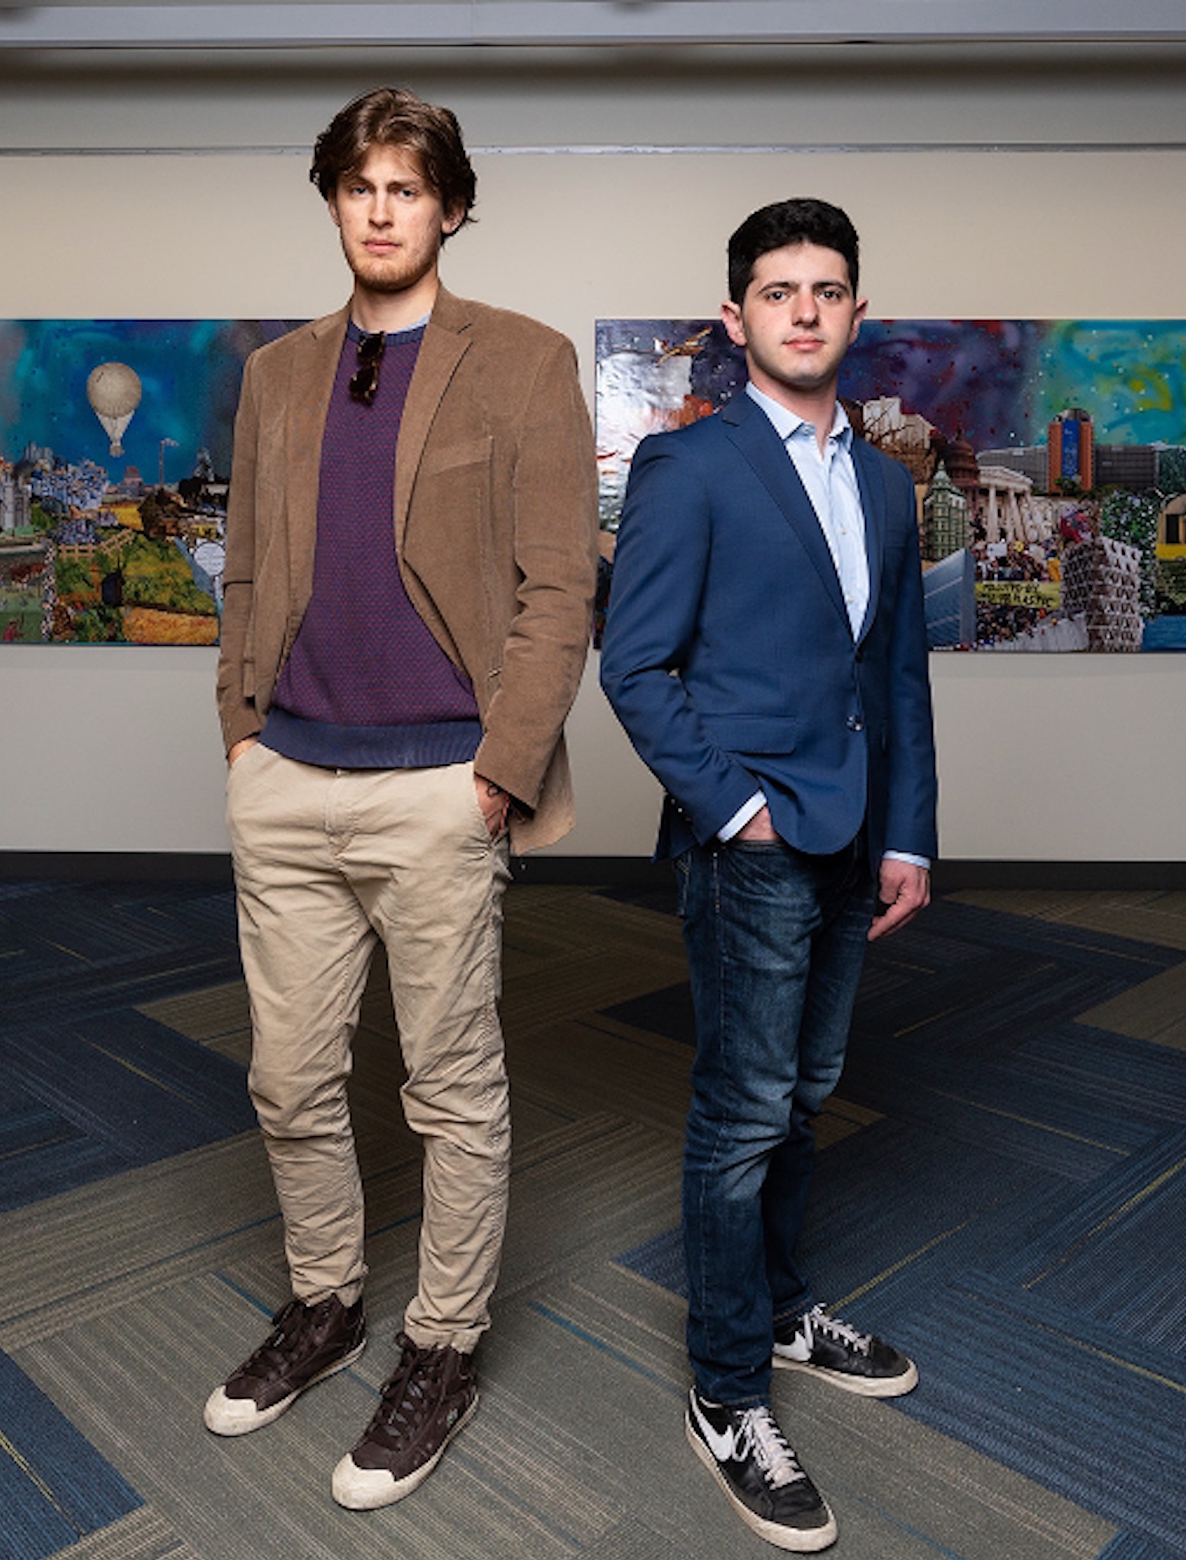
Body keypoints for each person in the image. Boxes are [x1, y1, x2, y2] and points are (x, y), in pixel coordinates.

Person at [204, 86, 598, 1512]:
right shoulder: (275, 376)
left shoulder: (526, 362)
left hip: (441, 785)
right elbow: (246, 569)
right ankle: (326, 1304)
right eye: (359, 185)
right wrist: (241, 738)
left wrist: (500, 770)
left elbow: (563, 585)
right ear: (333, 201)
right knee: (290, 1079)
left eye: (408, 187)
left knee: (450, 1092)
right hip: (289, 779)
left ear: (449, 207)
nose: (382, 208)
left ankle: (441, 1345)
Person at [599, 197, 938, 1553]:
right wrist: (732, 807)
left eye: (831, 289)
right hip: (753, 845)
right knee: (743, 1112)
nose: (807, 309)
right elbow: (633, 666)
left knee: (805, 1091)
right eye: (780, 290)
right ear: (737, 319)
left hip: (857, 838)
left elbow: (896, 671)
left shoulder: (888, 483)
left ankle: (784, 1307)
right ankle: (728, 1386)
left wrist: (909, 831)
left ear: (857, 313)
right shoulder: (693, 468)